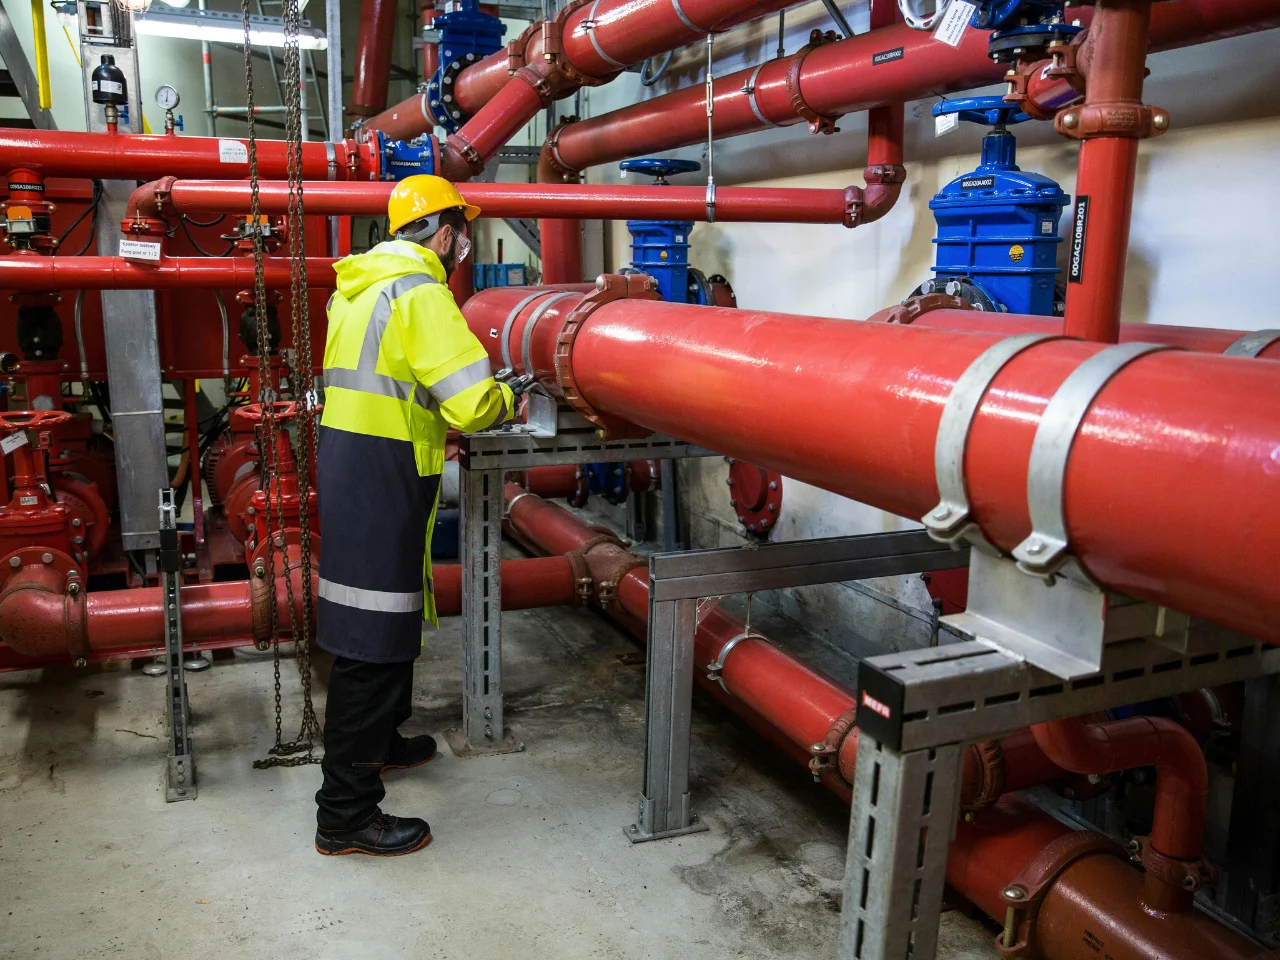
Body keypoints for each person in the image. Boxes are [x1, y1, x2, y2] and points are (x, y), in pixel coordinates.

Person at [313, 175, 516, 857]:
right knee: (369, 643)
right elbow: (470, 404)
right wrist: (509, 401)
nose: (464, 244)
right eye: (464, 231)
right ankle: (344, 814)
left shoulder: (360, 286)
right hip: (383, 469)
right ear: (449, 232)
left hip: (352, 461)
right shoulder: (420, 292)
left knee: (387, 617)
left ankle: (383, 743)